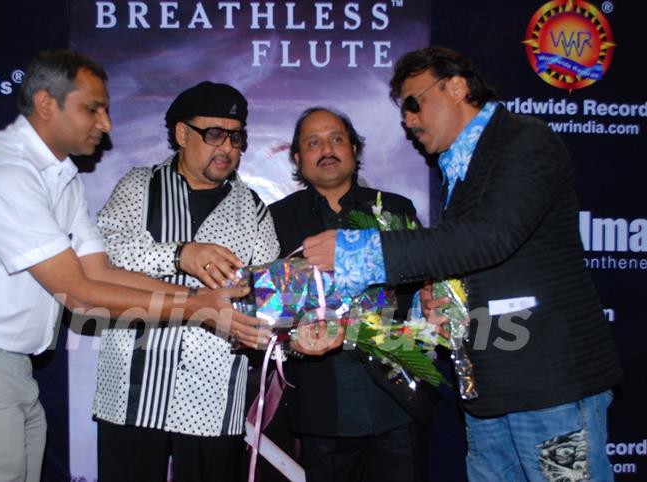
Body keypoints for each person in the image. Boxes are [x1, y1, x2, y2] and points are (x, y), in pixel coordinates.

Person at [0, 51, 261, 482]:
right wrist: (198, 303)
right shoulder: (4, 171)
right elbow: (79, 293)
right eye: (93, 108)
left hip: (10, 369)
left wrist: (205, 302)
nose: (106, 124)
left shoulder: (59, 177)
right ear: (47, 105)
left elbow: (98, 271)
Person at [301, 46, 623, 482]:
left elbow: (491, 237)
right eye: (404, 112)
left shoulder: (525, 141)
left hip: (550, 389)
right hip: (488, 393)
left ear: (456, 87)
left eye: (414, 104)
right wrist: (437, 304)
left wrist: (355, 251)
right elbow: (477, 264)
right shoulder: (459, 169)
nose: (409, 122)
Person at [92, 81, 281, 482]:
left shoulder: (253, 210)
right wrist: (180, 254)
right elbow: (103, 258)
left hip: (212, 402)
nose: (227, 148)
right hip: (132, 394)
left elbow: (271, 299)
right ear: (182, 134)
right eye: (214, 134)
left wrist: (290, 324)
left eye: (236, 137)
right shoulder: (140, 185)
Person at [270, 107, 430, 482]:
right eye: (313, 143)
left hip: (396, 400)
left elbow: (421, 288)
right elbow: (273, 311)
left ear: (355, 149)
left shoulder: (394, 209)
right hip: (323, 406)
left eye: (337, 139)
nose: (326, 149)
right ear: (297, 158)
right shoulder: (277, 220)